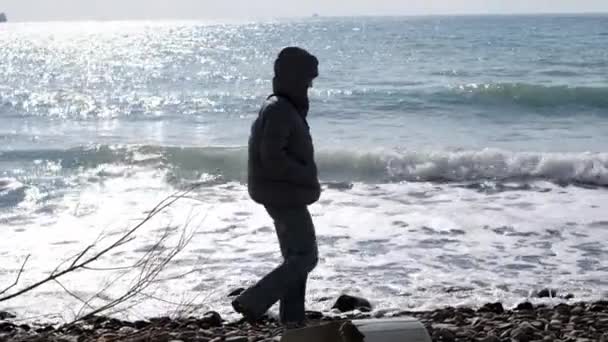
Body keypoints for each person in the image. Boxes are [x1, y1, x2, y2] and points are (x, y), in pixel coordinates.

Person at [232, 47, 321, 327]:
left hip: (282, 192)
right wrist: (305, 175)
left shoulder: (282, 106)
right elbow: (272, 157)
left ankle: (293, 323)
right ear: (294, 77)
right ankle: (254, 300)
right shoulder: (280, 109)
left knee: (295, 259)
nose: (310, 85)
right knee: (305, 256)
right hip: (283, 194)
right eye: (307, 79)